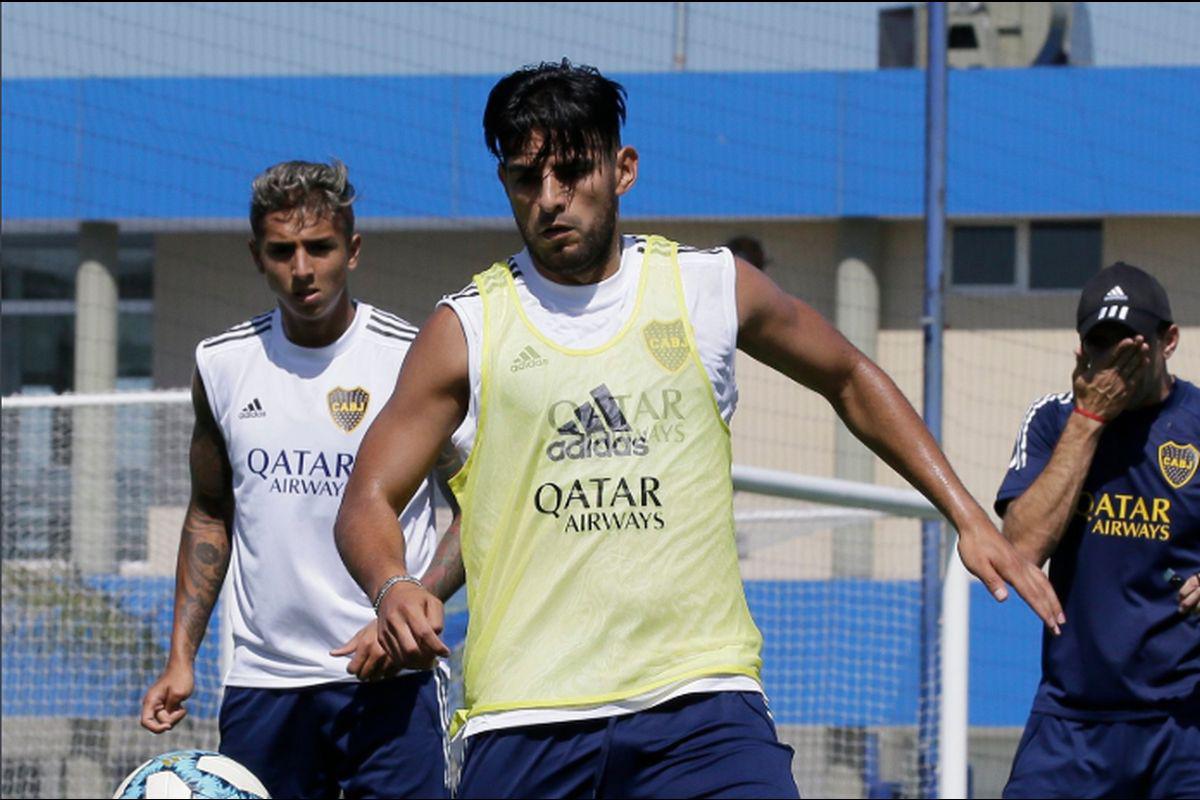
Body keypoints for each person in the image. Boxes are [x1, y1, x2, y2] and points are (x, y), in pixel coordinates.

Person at [334, 60, 1064, 799]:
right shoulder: (468, 327)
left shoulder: (707, 288)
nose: (551, 199)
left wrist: (968, 515)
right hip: (527, 716)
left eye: (573, 171)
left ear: (623, 169)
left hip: (701, 706)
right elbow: (367, 494)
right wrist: (393, 584)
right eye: (527, 179)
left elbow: (848, 375)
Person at [139, 160, 463, 799]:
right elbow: (210, 511)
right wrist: (181, 657)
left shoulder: (411, 358)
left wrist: (408, 604)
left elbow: (481, 507)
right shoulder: (222, 365)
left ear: (354, 250)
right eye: (282, 251)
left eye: (321, 248)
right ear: (257, 256)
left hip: (390, 681)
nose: (303, 269)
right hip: (266, 686)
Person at [996, 261, 1199, 799]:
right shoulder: (1052, 420)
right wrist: (1089, 420)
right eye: (1102, 344)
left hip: (1185, 723)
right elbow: (1020, 549)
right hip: (1072, 723)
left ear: (1169, 341)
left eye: (1131, 345)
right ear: (1081, 351)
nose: (1118, 362)